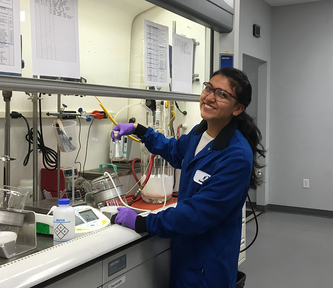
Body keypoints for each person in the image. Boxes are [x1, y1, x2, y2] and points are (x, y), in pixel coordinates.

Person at [111, 67, 265, 287]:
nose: (210, 97)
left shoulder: (236, 156)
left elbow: (197, 214)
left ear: (238, 108)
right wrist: (140, 130)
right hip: (187, 252)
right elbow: (175, 150)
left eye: (222, 94)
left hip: (208, 265)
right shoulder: (200, 132)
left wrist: (142, 222)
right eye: (209, 88)